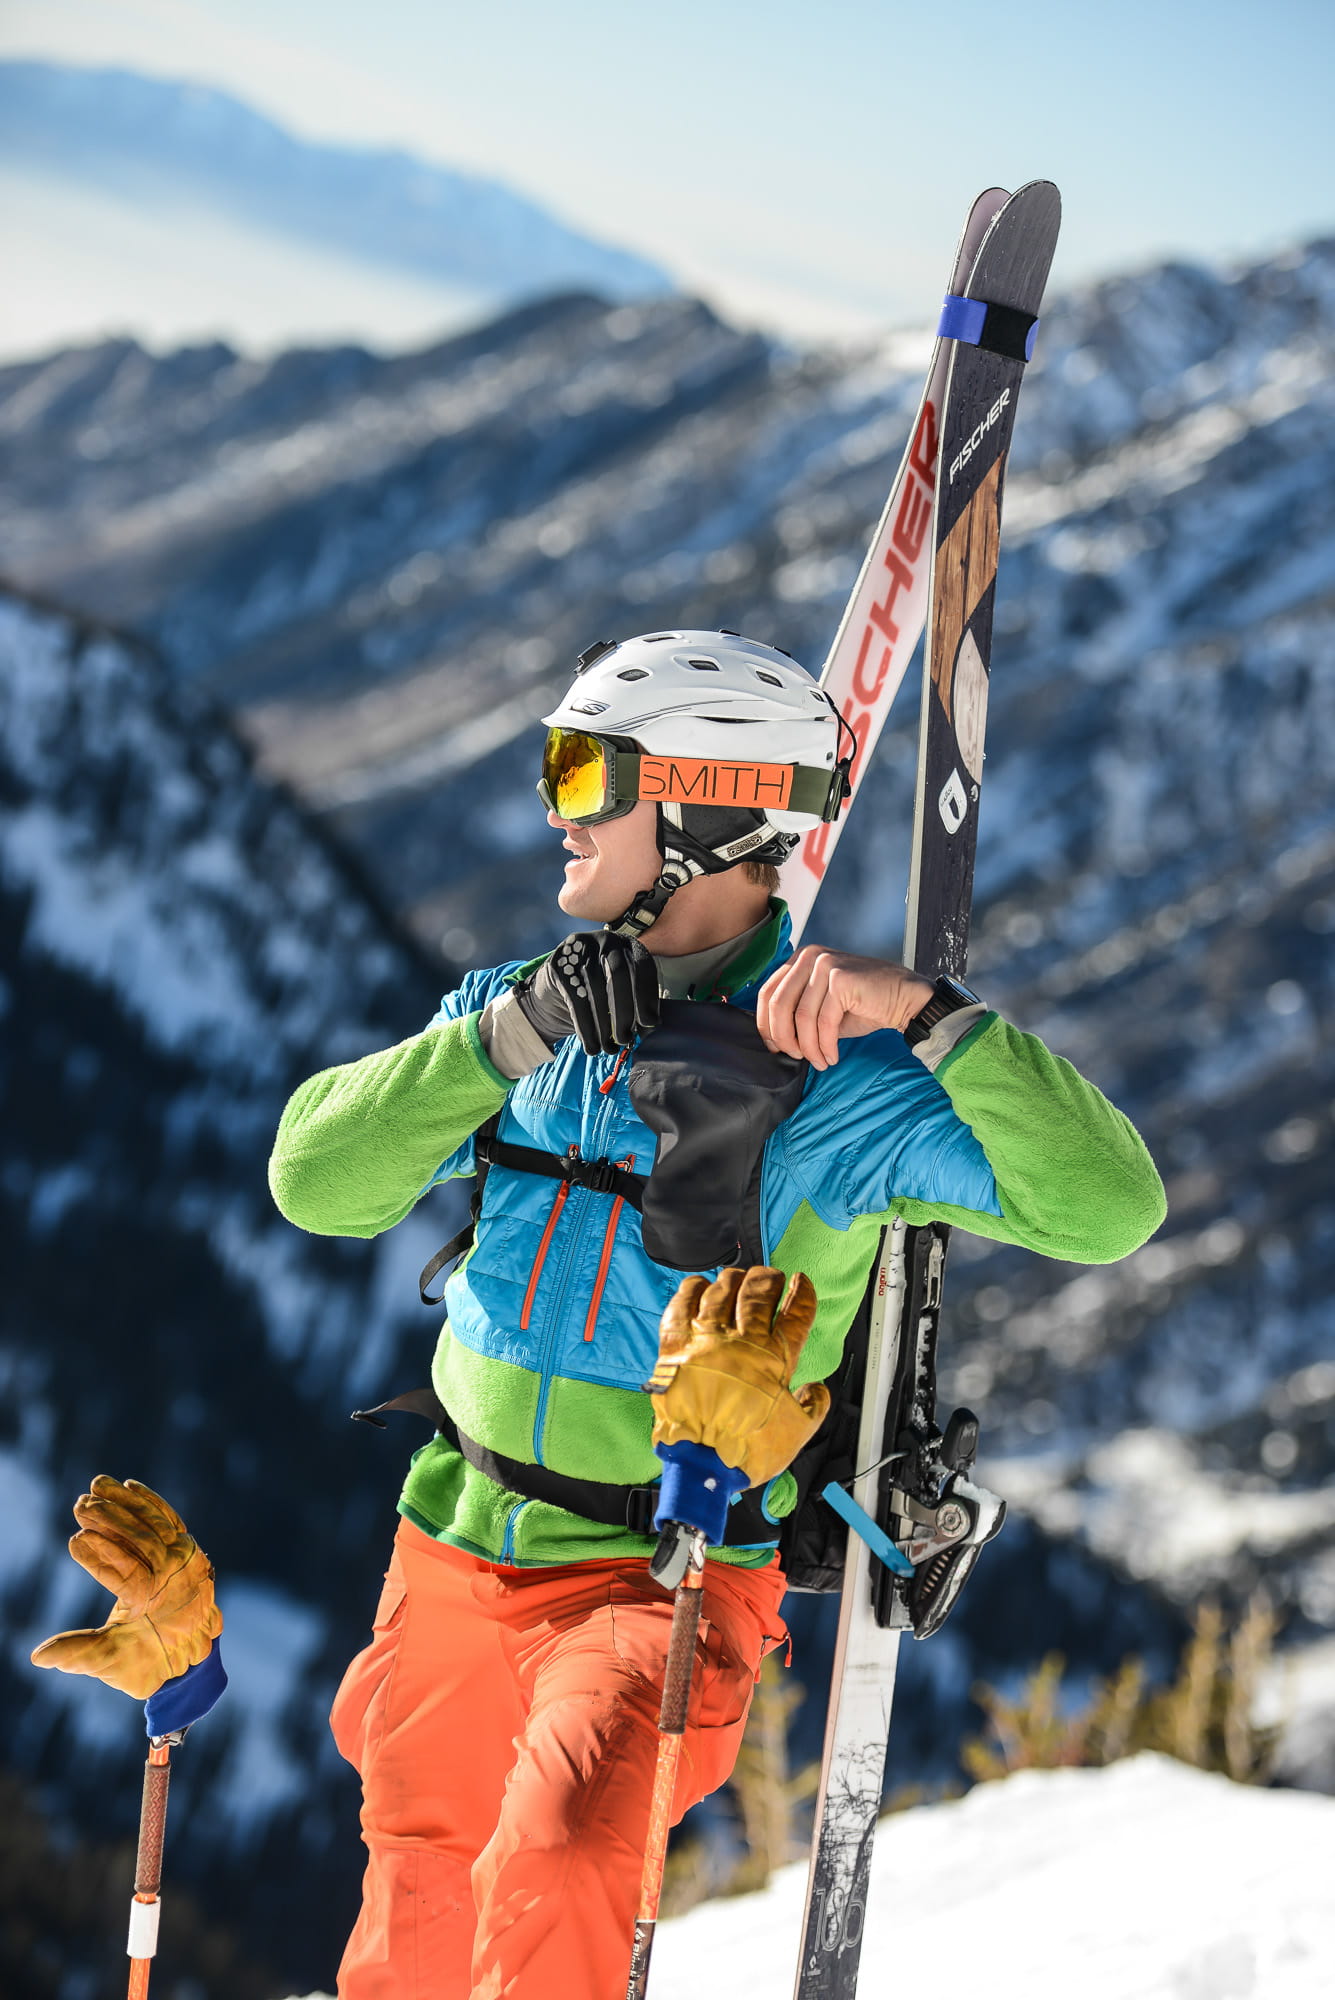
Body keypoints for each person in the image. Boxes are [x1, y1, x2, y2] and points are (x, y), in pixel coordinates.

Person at [268, 629, 1165, 2000]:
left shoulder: (839, 1087)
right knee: (422, 1892)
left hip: (663, 1574)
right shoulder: (522, 1017)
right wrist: (503, 1038)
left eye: (586, 773)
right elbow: (314, 1182)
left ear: (704, 807)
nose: (556, 809)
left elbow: (1107, 1207)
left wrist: (932, 1019)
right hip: (452, 1539)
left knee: (561, 1855)